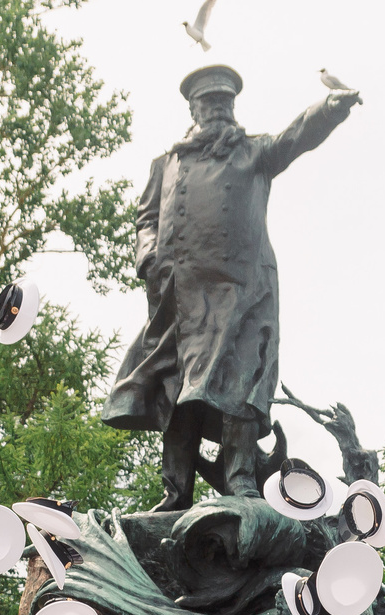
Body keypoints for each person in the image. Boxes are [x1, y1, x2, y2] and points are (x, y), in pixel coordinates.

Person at [101, 62, 361, 509]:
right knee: (175, 390)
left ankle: (241, 479)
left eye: (224, 102)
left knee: (240, 387)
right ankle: (175, 490)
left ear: (233, 106)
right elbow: (145, 218)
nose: (216, 109)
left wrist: (330, 109)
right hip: (179, 300)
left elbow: (297, 135)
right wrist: (148, 257)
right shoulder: (166, 163)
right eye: (208, 102)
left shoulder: (254, 151)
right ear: (194, 108)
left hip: (241, 292)